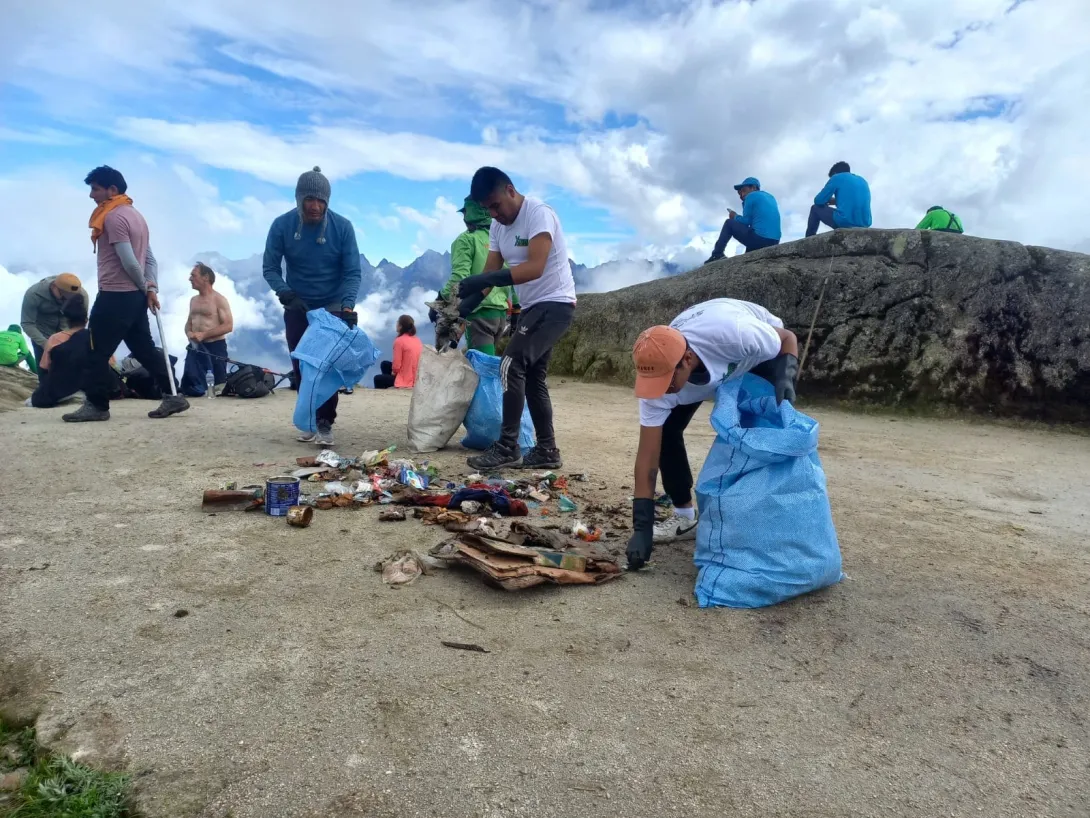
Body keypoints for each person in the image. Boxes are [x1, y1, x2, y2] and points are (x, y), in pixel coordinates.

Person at [624, 298, 800, 571]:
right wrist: (641, 527)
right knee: (667, 432)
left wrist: (785, 377)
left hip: (753, 359)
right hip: (705, 366)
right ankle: (685, 518)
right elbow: (647, 459)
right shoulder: (657, 378)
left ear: (688, 359)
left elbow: (787, 338)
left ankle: (761, 525)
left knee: (758, 436)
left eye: (667, 380)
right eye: (652, 383)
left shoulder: (737, 334)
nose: (660, 389)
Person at [456, 166, 577, 470]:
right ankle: (547, 451)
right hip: (534, 305)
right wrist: (458, 309)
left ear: (510, 190)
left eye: (496, 205)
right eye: (487, 209)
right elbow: (488, 278)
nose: (494, 214)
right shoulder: (498, 228)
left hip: (555, 302)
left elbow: (535, 267)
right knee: (534, 377)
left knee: (511, 363)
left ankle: (508, 446)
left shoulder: (538, 213)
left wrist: (488, 279)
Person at [63, 166, 188, 422]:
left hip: (114, 296)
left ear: (112, 190)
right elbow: (149, 258)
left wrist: (147, 288)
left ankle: (97, 406)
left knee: (94, 351)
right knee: (144, 349)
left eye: (95, 189)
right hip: (135, 298)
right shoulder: (137, 216)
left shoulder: (112, 218)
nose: (91, 195)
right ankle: (172, 393)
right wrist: (150, 288)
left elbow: (130, 262)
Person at [263, 166, 361, 447]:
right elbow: (270, 267)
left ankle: (325, 422)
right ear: (299, 199)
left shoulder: (342, 228)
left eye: (321, 201)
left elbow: (352, 272)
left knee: (325, 366)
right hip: (297, 303)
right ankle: (308, 419)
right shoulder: (281, 226)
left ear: (328, 202)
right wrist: (285, 293)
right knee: (301, 362)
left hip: (331, 305)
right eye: (310, 199)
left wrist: (347, 305)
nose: (315, 206)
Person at [441, 196, 519, 355]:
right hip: (501, 315)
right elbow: (513, 274)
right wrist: (517, 307)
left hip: (479, 313)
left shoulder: (466, 240)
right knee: (489, 363)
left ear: (471, 214)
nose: (463, 217)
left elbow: (459, 278)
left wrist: (441, 297)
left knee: (482, 369)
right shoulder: (500, 238)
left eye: (465, 213)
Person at [180, 262, 234, 397]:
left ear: (206, 277)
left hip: (215, 348)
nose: (190, 278)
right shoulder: (193, 300)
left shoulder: (219, 300)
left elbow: (228, 325)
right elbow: (189, 323)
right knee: (192, 386)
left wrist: (204, 334)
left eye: (193, 275)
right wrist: (189, 333)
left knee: (218, 387)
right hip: (196, 347)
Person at [30, 298, 94, 408]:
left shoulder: (55, 338)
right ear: (86, 320)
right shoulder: (94, 337)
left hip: (62, 388)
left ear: (67, 320)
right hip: (90, 385)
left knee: (35, 398)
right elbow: (111, 363)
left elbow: (44, 366)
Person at [20, 273, 89, 375]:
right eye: (64, 295)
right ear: (53, 287)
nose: (66, 300)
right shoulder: (34, 294)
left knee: (69, 374)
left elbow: (81, 321)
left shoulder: (81, 295)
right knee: (45, 373)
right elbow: (27, 323)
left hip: (66, 337)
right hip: (42, 335)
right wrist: (46, 344)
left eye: (70, 298)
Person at [705, 177, 781, 263]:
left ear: (753, 188)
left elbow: (746, 222)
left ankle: (717, 254)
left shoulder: (751, 196)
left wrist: (735, 216)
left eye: (743, 190)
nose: (741, 195)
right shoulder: (770, 197)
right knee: (747, 259)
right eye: (739, 193)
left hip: (761, 240)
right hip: (774, 241)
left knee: (729, 223)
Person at [806, 161, 872, 237]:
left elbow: (818, 201)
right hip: (865, 223)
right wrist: (834, 201)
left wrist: (827, 199)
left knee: (815, 208)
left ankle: (808, 239)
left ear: (834, 173)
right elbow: (851, 200)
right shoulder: (863, 181)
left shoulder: (836, 177)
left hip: (846, 221)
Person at [392, 314, 423, 389]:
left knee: (378, 379)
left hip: (405, 379)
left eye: (397, 322)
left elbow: (396, 366)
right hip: (415, 375)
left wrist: (394, 372)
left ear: (401, 326)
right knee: (385, 364)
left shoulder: (399, 341)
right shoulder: (417, 339)